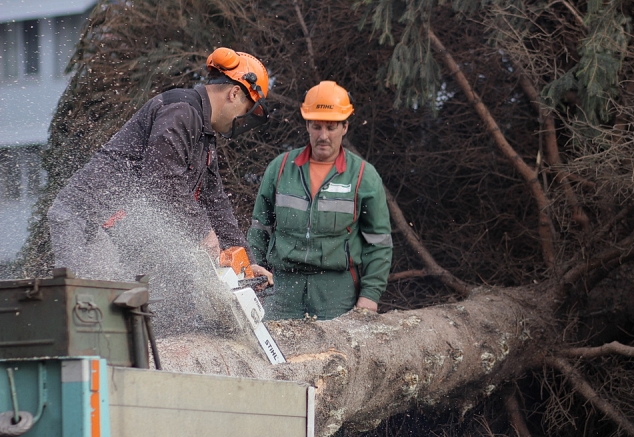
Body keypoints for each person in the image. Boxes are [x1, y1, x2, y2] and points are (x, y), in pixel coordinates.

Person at [47, 48, 272, 332]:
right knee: (97, 311)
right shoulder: (181, 109)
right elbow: (163, 179)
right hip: (87, 221)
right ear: (234, 94)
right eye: (246, 109)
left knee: (158, 303)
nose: (241, 118)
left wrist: (246, 264)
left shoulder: (204, 135)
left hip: (118, 226)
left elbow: (216, 204)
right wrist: (205, 234)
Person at [247, 81, 392, 320]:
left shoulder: (363, 176)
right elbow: (259, 229)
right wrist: (254, 270)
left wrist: (370, 296)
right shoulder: (280, 168)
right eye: (316, 126)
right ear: (307, 125)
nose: (323, 136)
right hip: (281, 289)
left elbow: (379, 243)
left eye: (331, 127)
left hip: (337, 292)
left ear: (345, 127)